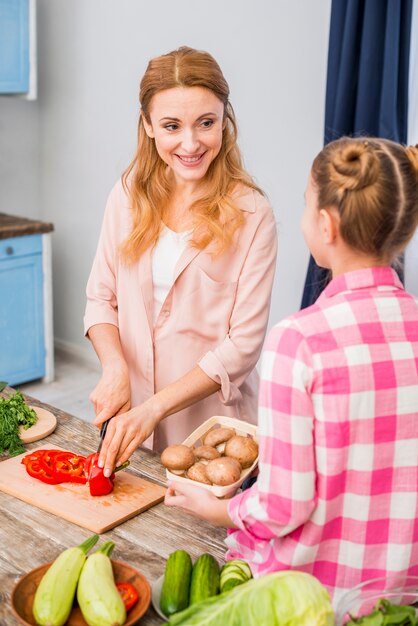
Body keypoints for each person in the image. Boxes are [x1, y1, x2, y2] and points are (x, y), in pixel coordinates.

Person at [165, 137, 418, 605]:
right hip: (401, 596)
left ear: (326, 225)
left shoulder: (299, 340)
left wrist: (216, 509)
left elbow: (284, 506)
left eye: (305, 205)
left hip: (310, 599)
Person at [84, 46, 277, 473]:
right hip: (132, 420)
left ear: (224, 122)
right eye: (172, 126)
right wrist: (115, 368)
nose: (190, 144)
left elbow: (242, 347)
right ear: (149, 127)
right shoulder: (127, 196)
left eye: (206, 123)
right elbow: (100, 299)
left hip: (213, 437)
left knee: (206, 541)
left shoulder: (252, 214)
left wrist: (156, 408)